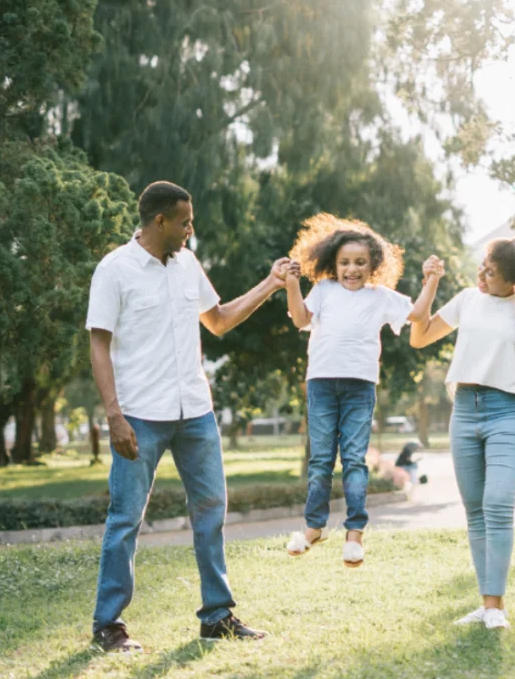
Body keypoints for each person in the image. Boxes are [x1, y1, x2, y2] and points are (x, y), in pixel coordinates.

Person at [86, 180, 290, 652]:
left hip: (195, 412)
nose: (190, 229)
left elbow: (217, 320)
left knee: (211, 511)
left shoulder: (187, 264)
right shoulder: (115, 269)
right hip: (140, 414)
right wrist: (114, 416)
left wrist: (271, 283)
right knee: (125, 519)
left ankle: (216, 616)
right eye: (184, 221)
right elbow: (98, 344)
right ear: (160, 221)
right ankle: (108, 624)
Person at [283, 213, 442, 567]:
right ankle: (314, 528)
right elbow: (300, 319)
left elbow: (417, 313)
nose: (351, 269)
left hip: (360, 386)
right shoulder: (323, 290)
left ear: (374, 266)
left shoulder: (380, 296)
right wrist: (292, 285)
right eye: (344, 263)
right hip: (322, 383)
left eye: (360, 263)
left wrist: (430, 280)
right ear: (332, 264)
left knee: (354, 459)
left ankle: (355, 535)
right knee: (321, 459)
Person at [410, 236, 515, 630]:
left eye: (492, 272)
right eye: (484, 266)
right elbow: (418, 337)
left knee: (498, 502)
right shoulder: (468, 299)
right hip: (465, 411)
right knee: (476, 512)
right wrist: (431, 283)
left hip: (510, 411)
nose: (482, 275)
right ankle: (488, 605)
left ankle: (495, 608)